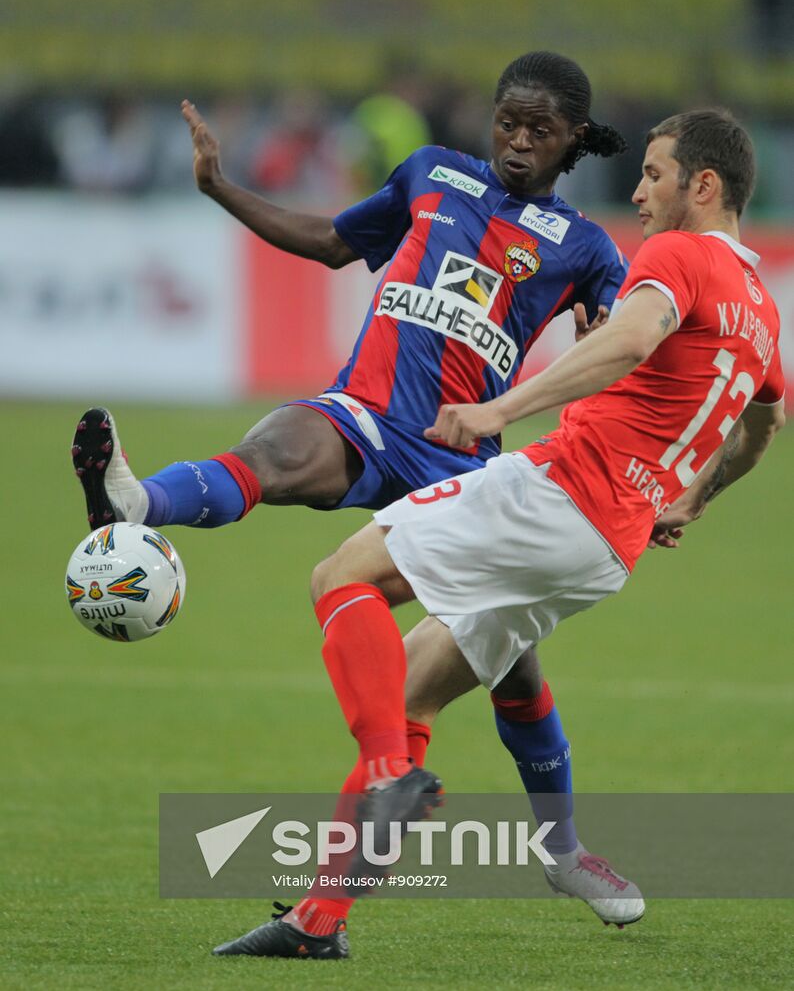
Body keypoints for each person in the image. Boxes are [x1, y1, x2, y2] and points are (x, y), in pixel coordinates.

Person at [72, 52, 636, 924]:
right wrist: (220, 188)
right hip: (369, 413)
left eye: (541, 131)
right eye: (508, 123)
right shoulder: (430, 174)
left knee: (513, 674)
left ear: (572, 142)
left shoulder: (586, 247)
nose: (519, 143)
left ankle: (562, 851)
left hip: (461, 461)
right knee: (275, 448)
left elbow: (620, 349)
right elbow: (337, 243)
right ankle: (138, 506)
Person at [210, 107, 784, 959]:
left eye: (655, 175)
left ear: (704, 185)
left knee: (342, 578)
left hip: (558, 493)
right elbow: (764, 419)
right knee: (404, 694)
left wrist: (498, 408)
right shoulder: (762, 308)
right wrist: (695, 496)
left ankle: (389, 779)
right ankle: (318, 923)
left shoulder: (678, 256)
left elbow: (629, 339)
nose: (638, 191)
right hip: (605, 549)